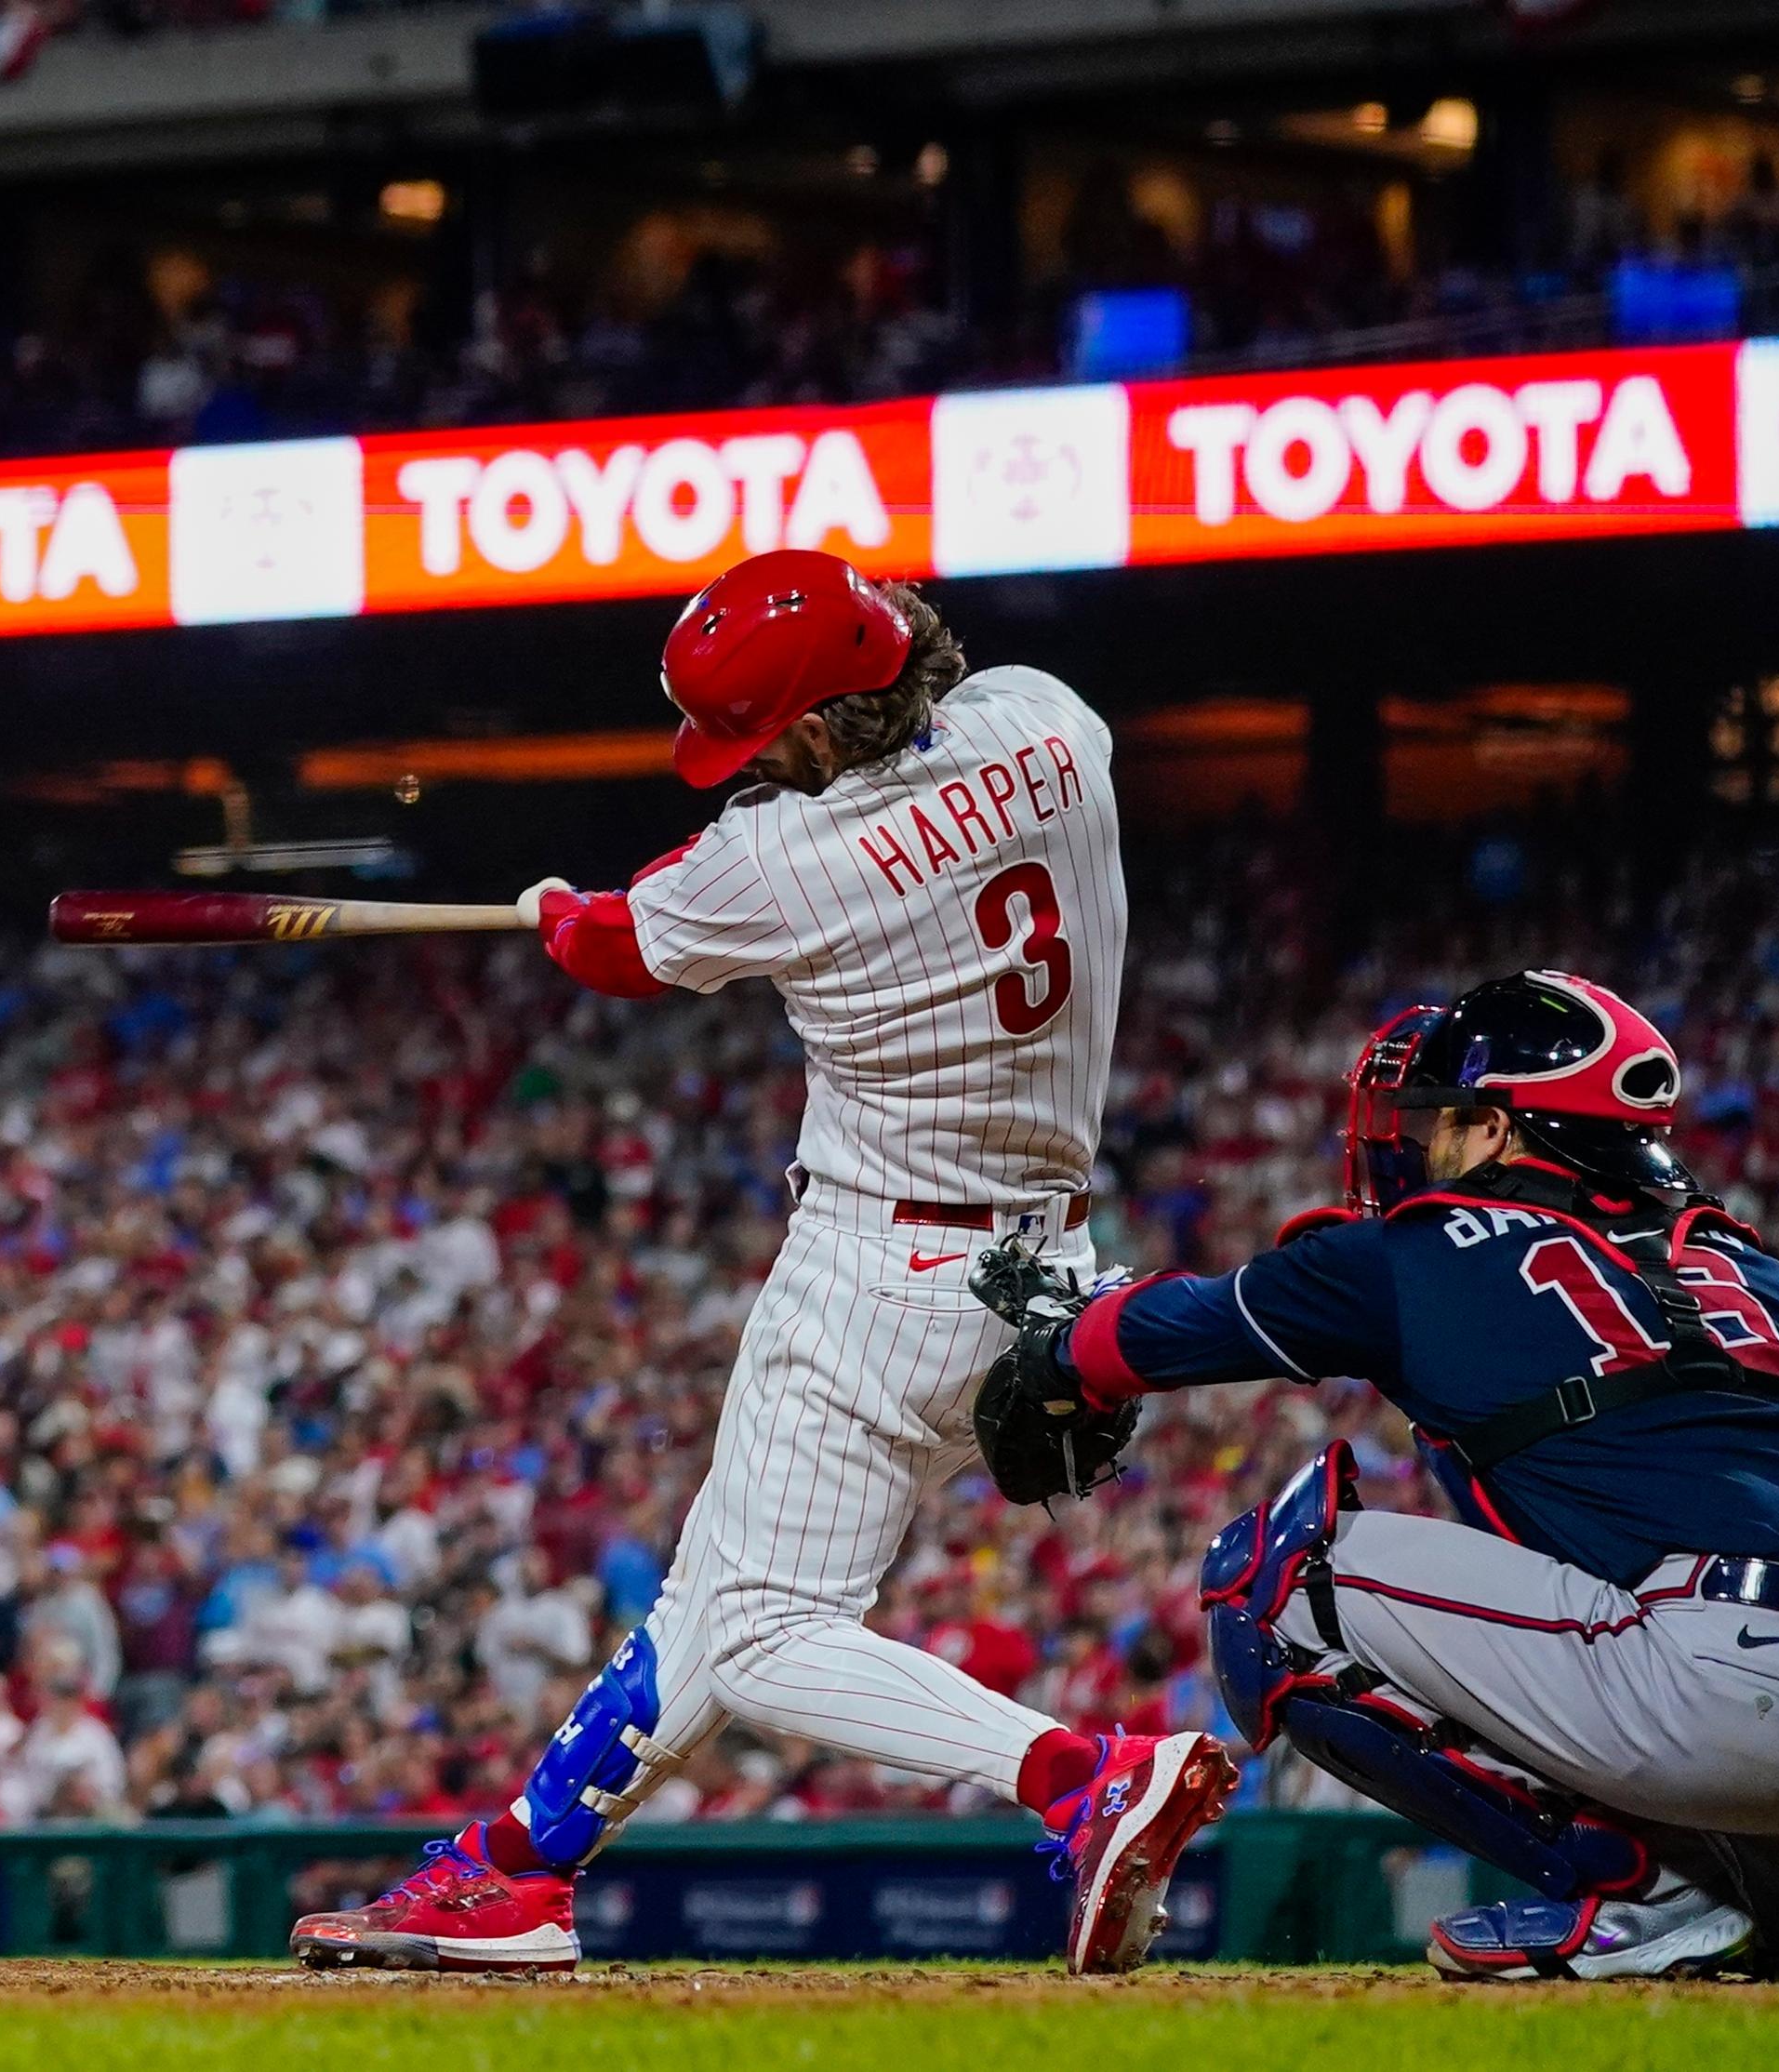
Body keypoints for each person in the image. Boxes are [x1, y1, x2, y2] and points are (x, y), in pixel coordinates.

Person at [288, 548, 1232, 1976]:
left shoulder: (778, 861)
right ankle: (516, 1873)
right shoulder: (1052, 716)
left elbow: (617, 945)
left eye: (762, 733)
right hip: (1047, 1269)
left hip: (877, 1275)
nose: (748, 759)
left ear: (813, 723)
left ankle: (1078, 1778)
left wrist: (558, 913)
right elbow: (918, 725)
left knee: (765, 1633)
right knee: (715, 1595)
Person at [987, 970, 1779, 1980]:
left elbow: (1150, 1335)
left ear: (1499, 1130)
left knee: (1274, 1579)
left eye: (1442, 1119)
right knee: (1720, 1721)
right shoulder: (1757, 1267)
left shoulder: (1413, 1251)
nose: (1420, 1142)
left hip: (1733, 1691)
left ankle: (1640, 1889)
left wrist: (1054, 1343)